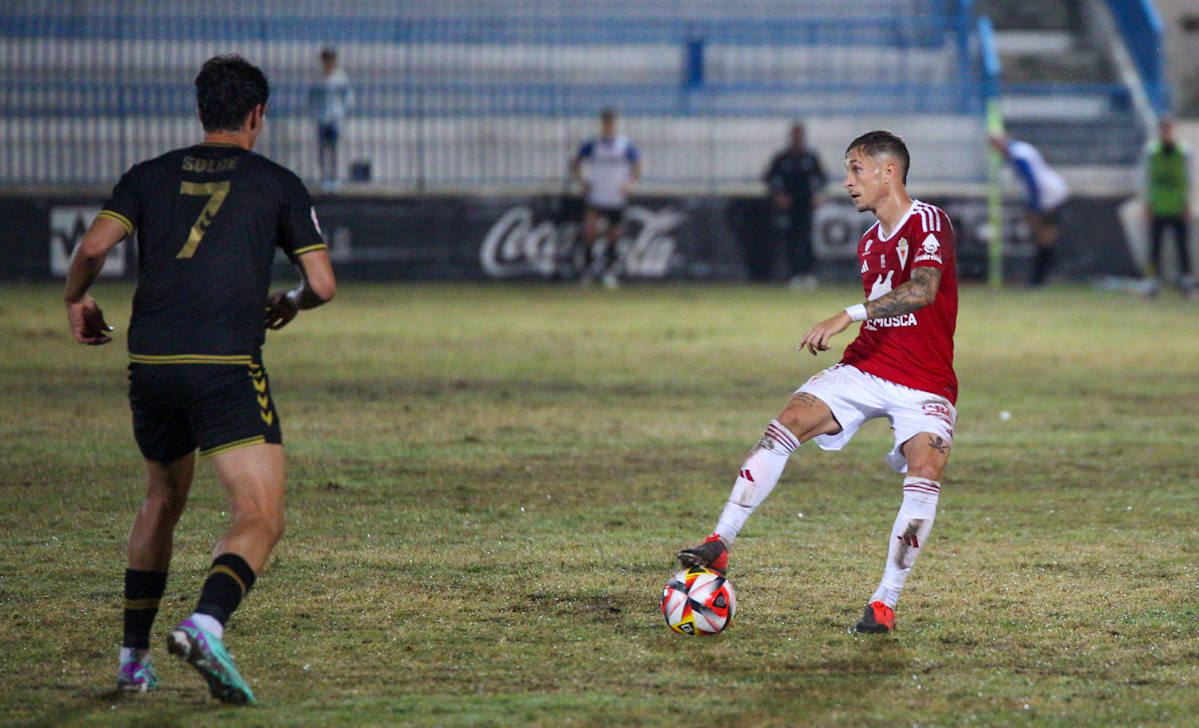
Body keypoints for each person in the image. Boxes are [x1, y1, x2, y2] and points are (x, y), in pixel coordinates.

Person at [63, 54, 336, 704]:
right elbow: (321, 284)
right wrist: (291, 302)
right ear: (256, 115)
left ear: (200, 112)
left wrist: (77, 300)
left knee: (161, 498)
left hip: (151, 362)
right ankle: (205, 625)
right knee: (260, 514)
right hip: (223, 365)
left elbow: (94, 248)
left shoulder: (148, 176)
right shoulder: (275, 181)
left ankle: (132, 661)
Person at [677, 130, 958, 634]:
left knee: (926, 471)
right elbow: (888, 315)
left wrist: (846, 314)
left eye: (856, 169)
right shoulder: (869, 242)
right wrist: (856, 327)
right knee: (786, 423)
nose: (847, 181)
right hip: (867, 367)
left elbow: (924, 290)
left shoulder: (928, 220)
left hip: (925, 382)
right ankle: (719, 544)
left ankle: (884, 602)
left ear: (888, 172)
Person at [569, 108, 641, 288]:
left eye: (611, 124)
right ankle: (587, 272)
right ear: (602, 125)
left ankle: (609, 273)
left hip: (616, 198)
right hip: (597, 196)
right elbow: (576, 162)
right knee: (590, 232)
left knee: (614, 236)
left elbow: (637, 165)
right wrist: (581, 182)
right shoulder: (593, 145)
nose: (609, 127)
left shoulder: (625, 145)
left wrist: (630, 183)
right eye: (606, 124)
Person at [989, 130, 1068, 287]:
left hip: (1048, 197)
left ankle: (1039, 278)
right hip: (1051, 194)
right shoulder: (1021, 149)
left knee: (1044, 239)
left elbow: (1032, 181)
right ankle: (1039, 278)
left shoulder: (1017, 154)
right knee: (1044, 239)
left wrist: (1034, 205)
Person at [762, 122, 827, 288]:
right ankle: (794, 274)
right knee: (791, 239)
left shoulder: (810, 157)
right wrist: (778, 194)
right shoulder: (783, 158)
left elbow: (821, 179)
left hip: (806, 204)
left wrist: (818, 195)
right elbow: (769, 178)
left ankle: (808, 274)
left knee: (806, 239)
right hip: (789, 206)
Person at [1143, 117, 1194, 299]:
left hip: (1177, 206)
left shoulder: (1183, 152)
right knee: (1154, 248)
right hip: (1158, 206)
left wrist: (1187, 203)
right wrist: (1147, 203)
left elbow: (1188, 179)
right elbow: (1146, 179)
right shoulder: (1151, 151)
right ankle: (1151, 283)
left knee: (1182, 247)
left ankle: (1186, 282)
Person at [310, 47, 353, 191]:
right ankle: (324, 178)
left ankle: (334, 178)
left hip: (335, 117)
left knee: (334, 148)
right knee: (322, 148)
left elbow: (348, 96)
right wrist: (314, 112)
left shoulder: (340, 77)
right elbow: (311, 97)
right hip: (322, 118)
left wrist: (343, 112)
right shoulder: (317, 78)